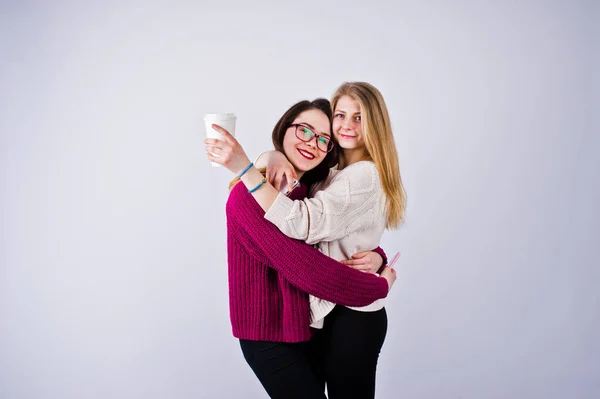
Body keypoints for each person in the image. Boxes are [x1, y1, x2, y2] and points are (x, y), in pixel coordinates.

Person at [206, 82, 407, 398]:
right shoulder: (252, 195)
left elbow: (320, 233)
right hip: (271, 335)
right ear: (284, 129)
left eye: (323, 138)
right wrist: (378, 285)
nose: (313, 142)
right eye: (304, 131)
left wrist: (377, 254)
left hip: (308, 326)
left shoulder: (309, 184)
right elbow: (306, 267)